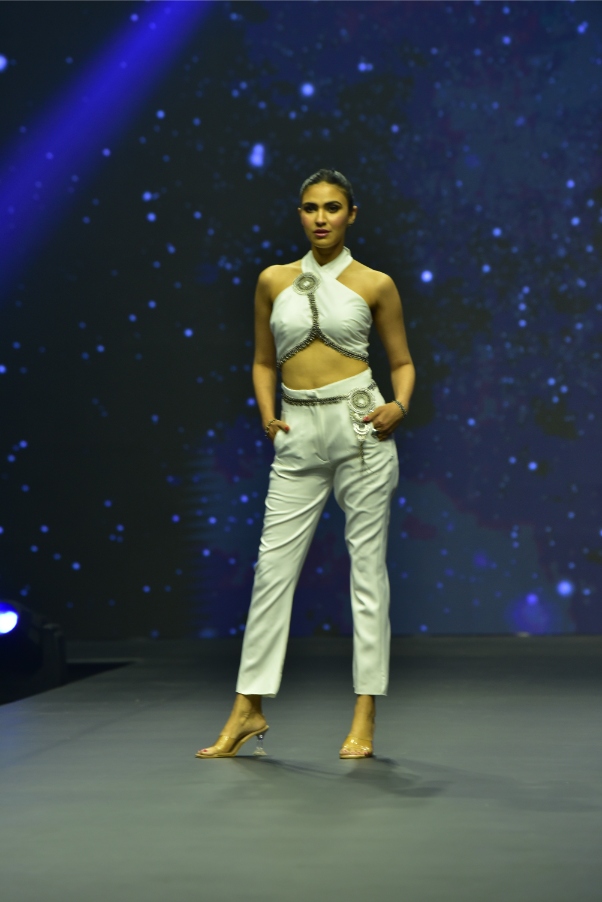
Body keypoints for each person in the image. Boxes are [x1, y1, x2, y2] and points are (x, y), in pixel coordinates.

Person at [197, 169, 415, 759]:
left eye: (333, 207)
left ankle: (365, 712)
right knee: (271, 572)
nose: (321, 218)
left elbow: (402, 362)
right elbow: (263, 360)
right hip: (296, 433)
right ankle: (247, 708)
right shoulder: (273, 280)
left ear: (351, 214)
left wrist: (399, 405)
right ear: (300, 214)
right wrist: (268, 414)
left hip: (361, 427)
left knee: (366, 573)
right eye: (311, 208)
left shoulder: (375, 283)